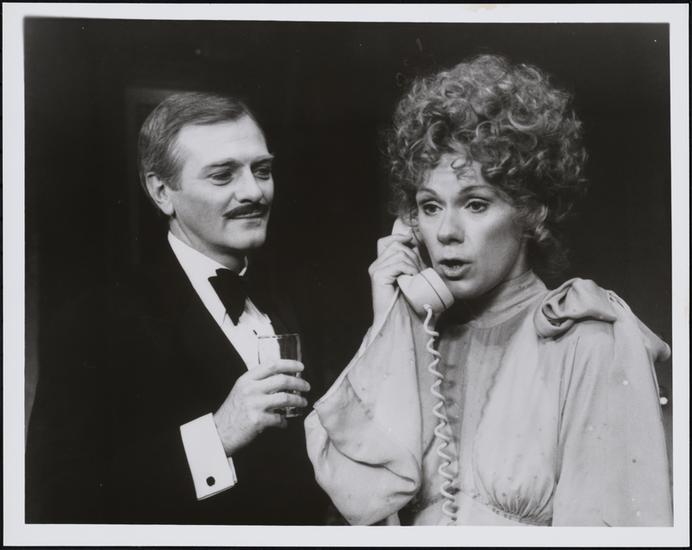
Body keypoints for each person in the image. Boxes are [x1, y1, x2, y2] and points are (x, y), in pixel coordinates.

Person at [305, 55, 672, 526]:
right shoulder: (419, 339)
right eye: (430, 207)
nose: (446, 232)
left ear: (531, 212)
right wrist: (391, 323)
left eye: (475, 204)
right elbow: (363, 508)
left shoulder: (588, 339)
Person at [26, 92, 327, 524]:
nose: (254, 191)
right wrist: (217, 435)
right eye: (222, 175)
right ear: (162, 192)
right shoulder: (93, 323)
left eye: (262, 170)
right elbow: (57, 503)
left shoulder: (292, 299)